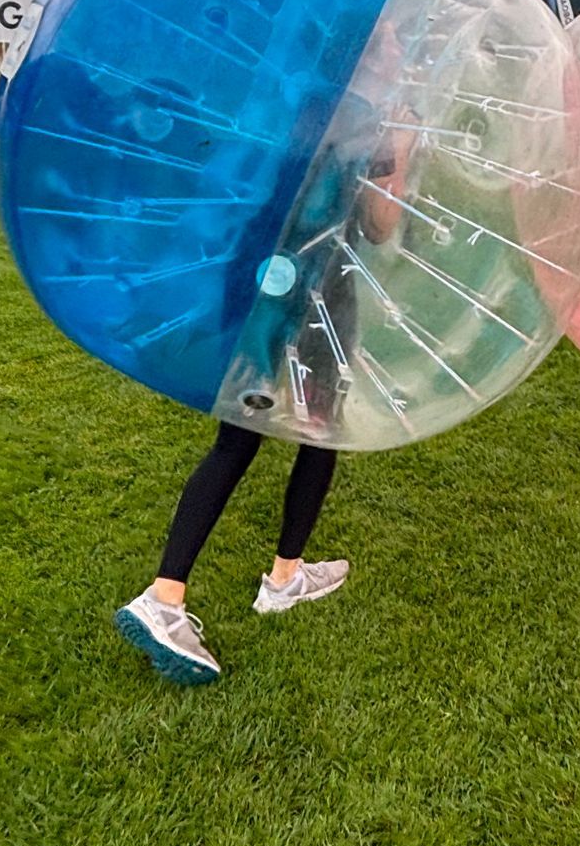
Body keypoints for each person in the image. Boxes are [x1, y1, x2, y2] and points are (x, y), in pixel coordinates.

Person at [113, 51, 409, 686]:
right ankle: (283, 577)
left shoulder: (284, 95)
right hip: (321, 295)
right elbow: (381, 226)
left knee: (236, 438)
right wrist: (403, 150)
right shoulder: (371, 122)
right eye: (391, 39)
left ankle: (166, 593)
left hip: (253, 287)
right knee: (319, 430)